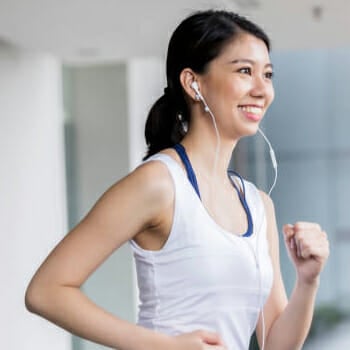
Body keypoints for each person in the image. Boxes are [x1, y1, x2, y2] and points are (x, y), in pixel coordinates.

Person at [25, 9, 329, 350]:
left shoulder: (259, 205)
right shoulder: (159, 183)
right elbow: (46, 290)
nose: (262, 89)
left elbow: (275, 344)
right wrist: (161, 345)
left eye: (268, 74)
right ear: (193, 83)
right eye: (245, 71)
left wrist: (308, 280)